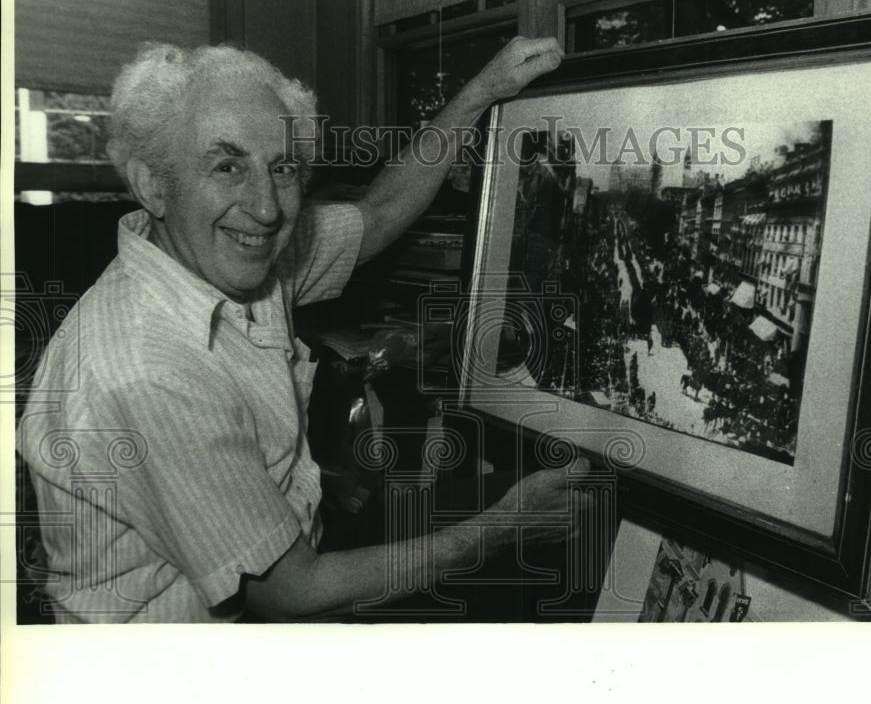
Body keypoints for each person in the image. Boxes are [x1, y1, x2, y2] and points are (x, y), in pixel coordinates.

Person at [16, 36, 591, 623]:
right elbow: (290, 590)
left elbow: (380, 214)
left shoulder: (229, 257)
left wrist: (480, 94)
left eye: (282, 167)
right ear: (153, 184)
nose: (266, 209)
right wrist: (502, 529)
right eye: (227, 166)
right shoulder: (146, 367)